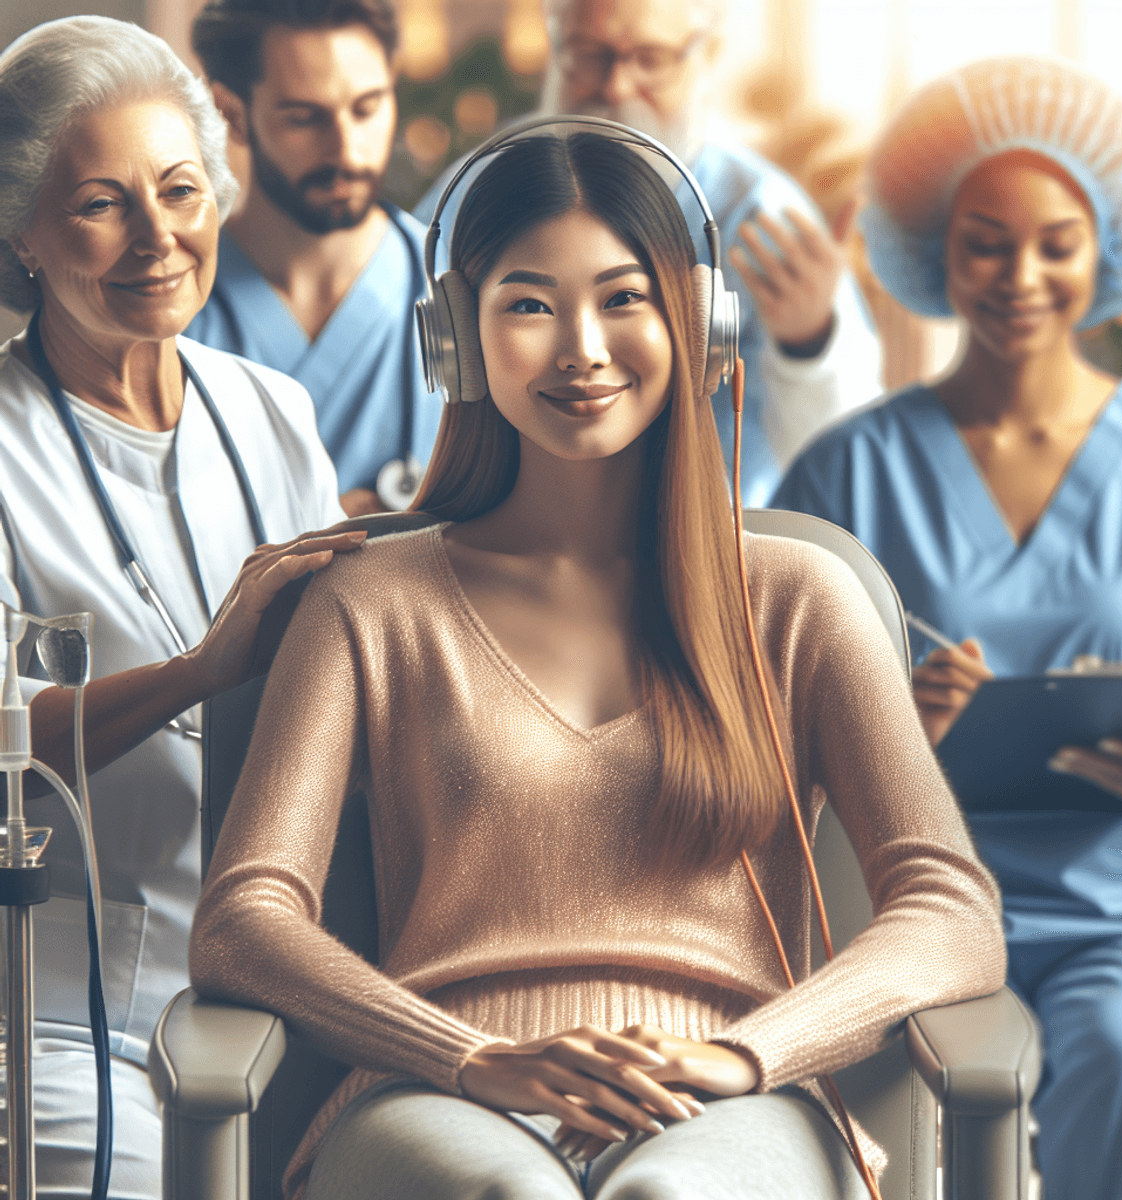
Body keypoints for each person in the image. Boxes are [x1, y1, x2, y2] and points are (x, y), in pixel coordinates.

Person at [190, 126, 1004, 1200]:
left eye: (624, 298)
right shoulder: (368, 602)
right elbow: (244, 918)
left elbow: (949, 905)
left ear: (701, 325)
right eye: (528, 304)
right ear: (458, 344)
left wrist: (743, 1054)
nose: (581, 346)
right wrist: (467, 1056)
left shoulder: (800, 598)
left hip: (728, 1095)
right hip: (440, 1088)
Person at [773, 57, 1122, 1200]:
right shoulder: (847, 471)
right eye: (984, 243)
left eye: (1056, 242)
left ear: (1106, 248)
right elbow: (755, 738)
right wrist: (889, 731)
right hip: (906, 910)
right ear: (931, 251)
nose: (1021, 276)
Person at [0, 16, 362, 1196]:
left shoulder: (273, 412)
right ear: (22, 231)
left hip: (286, 996)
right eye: (102, 204)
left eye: (181, 189)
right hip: (65, 1020)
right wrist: (203, 672)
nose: (159, 237)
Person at [413, 0, 882, 506]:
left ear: (708, 55)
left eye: (650, 58)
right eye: (589, 55)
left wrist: (810, 344)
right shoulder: (465, 198)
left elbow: (847, 468)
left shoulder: (764, 218)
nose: (616, 86)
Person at [186, 0, 442, 516]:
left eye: (367, 108)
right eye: (305, 119)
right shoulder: (175, 309)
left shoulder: (458, 288)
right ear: (232, 113)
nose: (347, 148)